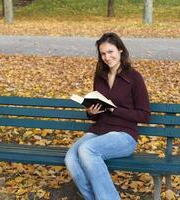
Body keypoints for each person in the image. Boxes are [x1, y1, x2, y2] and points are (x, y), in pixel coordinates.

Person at [64, 32, 150, 200]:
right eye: (103, 53)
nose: (107, 57)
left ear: (120, 51)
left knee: (87, 150)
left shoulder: (134, 77)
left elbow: (144, 115)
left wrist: (114, 109)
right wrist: (91, 112)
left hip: (124, 135)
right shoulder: (100, 77)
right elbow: (98, 111)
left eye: (110, 52)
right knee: (70, 157)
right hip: (100, 129)